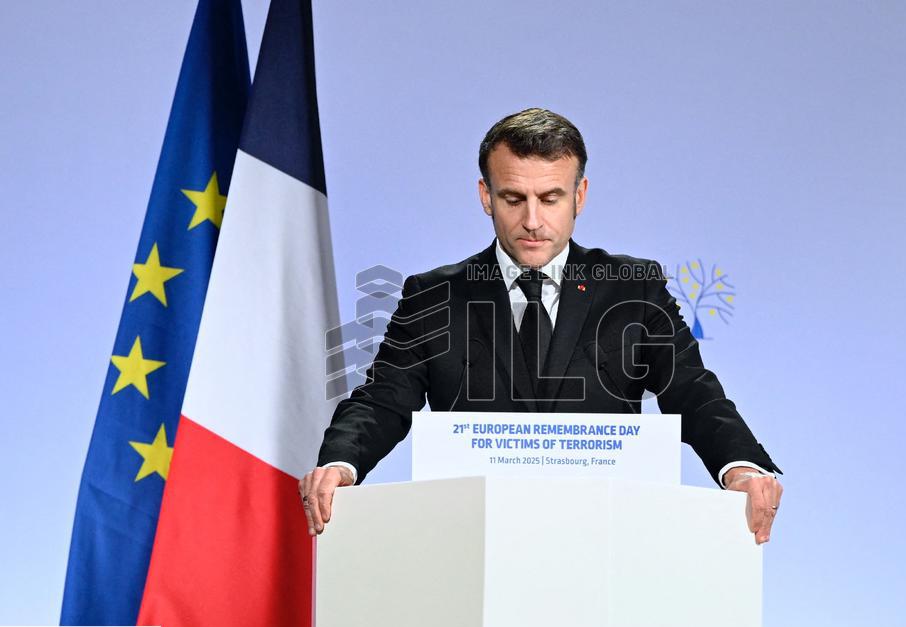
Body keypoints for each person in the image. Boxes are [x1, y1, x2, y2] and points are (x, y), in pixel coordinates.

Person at [300, 108, 783, 544]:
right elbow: (385, 397)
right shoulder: (433, 296)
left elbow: (692, 390)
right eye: (514, 198)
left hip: (606, 539)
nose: (532, 221)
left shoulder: (634, 289)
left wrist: (740, 465)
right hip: (473, 541)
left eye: (550, 198)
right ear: (485, 196)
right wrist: (342, 462)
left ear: (580, 195)